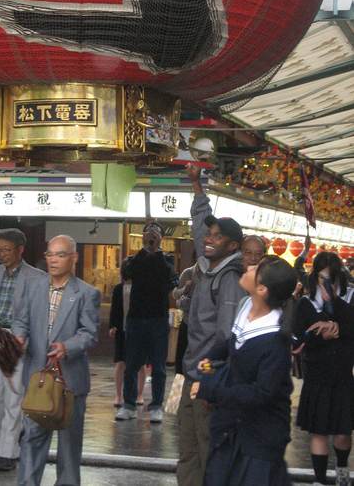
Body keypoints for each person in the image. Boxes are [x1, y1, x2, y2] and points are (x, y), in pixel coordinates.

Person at [191, 255, 297, 486]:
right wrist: (209, 360)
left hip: (259, 438)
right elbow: (231, 342)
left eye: (256, 269)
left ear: (261, 289)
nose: (248, 267)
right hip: (231, 427)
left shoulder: (275, 341)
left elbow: (262, 394)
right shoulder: (247, 306)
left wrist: (210, 387)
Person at [177, 165, 246, 486]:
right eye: (210, 233)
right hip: (191, 373)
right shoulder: (206, 267)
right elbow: (199, 222)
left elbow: (226, 334)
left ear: (233, 246)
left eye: (218, 236)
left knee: (208, 448)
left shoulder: (229, 279)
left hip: (207, 378)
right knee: (188, 448)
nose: (208, 238)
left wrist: (211, 380)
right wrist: (196, 184)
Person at [14, 234, 101, 486]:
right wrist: (19, 337)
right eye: (49, 254)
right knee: (31, 436)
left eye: (60, 255)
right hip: (37, 378)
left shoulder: (86, 293)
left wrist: (68, 346)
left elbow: (90, 333)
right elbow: (21, 320)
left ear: (73, 258)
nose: (53, 260)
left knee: (69, 442)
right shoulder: (34, 288)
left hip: (70, 381)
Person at [0, 228, 45, 472]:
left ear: (20, 250)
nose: (1, 254)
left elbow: (39, 314)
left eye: (5, 249)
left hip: (17, 341)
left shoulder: (36, 277)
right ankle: (15, 435)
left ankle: (6, 453)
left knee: (14, 397)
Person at [293, 251, 354, 486]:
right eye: (322, 278)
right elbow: (299, 339)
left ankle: (341, 469)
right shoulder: (306, 303)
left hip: (342, 375)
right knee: (318, 431)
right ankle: (319, 480)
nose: (327, 284)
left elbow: (350, 328)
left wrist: (336, 321)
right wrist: (320, 334)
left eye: (332, 278)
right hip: (317, 374)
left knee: (342, 433)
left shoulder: (349, 298)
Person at [115, 222, 179, 423]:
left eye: (156, 234)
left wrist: (156, 250)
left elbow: (168, 277)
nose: (151, 237)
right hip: (135, 319)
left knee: (158, 366)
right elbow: (128, 273)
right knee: (132, 364)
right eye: (148, 234)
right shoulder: (134, 259)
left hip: (158, 319)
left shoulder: (167, 259)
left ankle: (156, 405)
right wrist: (145, 250)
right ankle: (129, 404)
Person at [109, 263, 146, 407]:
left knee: (141, 363)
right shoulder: (118, 289)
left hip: (138, 330)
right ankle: (118, 395)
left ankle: (139, 394)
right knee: (120, 362)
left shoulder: (141, 289)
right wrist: (112, 325)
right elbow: (115, 309)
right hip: (122, 330)